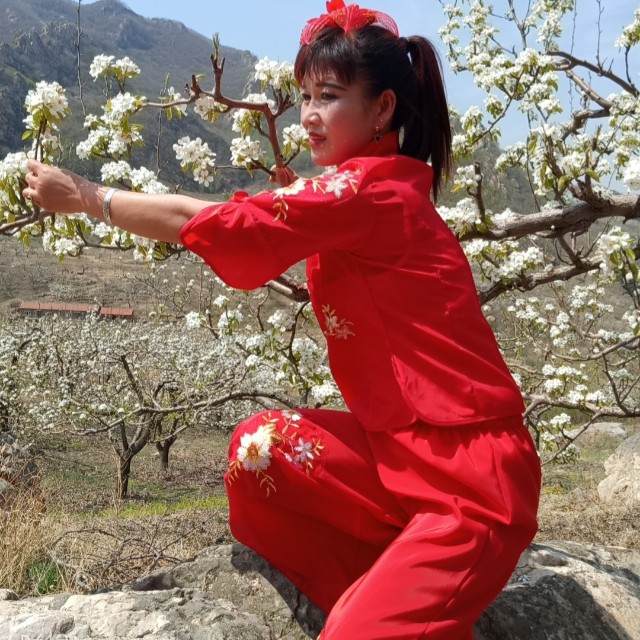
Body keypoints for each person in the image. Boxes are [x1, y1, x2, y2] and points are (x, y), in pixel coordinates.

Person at [23, 1, 541, 637]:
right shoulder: (366, 190)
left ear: (383, 109)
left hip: (469, 485)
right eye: (306, 97)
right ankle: (384, 588)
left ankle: (387, 607)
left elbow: (211, 222)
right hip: (399, 457)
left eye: (330, 96)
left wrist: (88, 197)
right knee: (259, 450)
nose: (310, 115)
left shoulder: (364, 191)